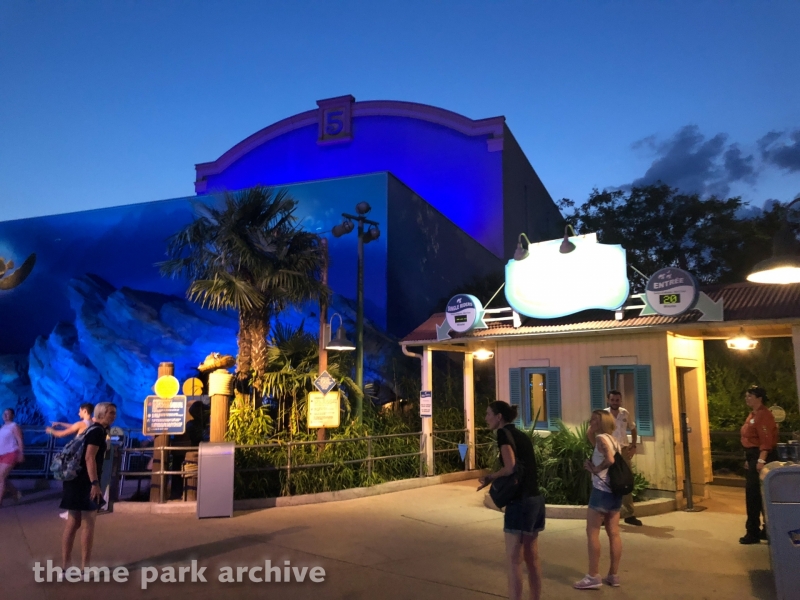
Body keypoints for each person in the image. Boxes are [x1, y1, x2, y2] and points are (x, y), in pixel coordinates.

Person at [478, 401, 544, 600]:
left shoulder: (502, 435)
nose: (486, 417)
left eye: (488, 414)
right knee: (532, 558)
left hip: (520, 503)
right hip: (535, 500)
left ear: (499, 417)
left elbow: (510, 466)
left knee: (514, 559)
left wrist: (491, 477)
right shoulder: (522, 435)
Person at [60, 401, 117, 570]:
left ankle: (66, 566)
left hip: (74, 479)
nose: (114, 416)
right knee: (88, 523)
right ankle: (85, 567)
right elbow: (89, 457)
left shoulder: (90, 429)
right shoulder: (98, 432)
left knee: (72, 522)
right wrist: (95, 483)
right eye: (111, 413)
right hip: (86, 481)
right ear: (102, 413)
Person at [574, 409, 623, 590]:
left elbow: (609, 460)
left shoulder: (602, 439)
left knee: (592, 532)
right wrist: (589, 431)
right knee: (614, 533)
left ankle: (593, 575)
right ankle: (613, 575)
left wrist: (595, 469)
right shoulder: (612, 440)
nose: (590, 421)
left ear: (601, 422)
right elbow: (595, 443)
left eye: (594, 419)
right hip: (614, 492)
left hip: (601, 490)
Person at [588, 390, 642, 526]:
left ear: (621, 400)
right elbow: (590, 432)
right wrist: (598, 447)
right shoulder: (604, 415)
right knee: (605, 481)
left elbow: (633, 428)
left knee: (624, 480)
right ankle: (602, 516)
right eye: (612, 400)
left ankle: (629, 514)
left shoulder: (625, 413)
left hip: (622, 450)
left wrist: (634, 445)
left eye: (617, 400)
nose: (615, 402)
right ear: (608, 400)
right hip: (608, 451)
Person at [739, 385, 778, 545]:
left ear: (759, 398)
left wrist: (761, 460)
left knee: (755, 494)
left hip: (761, 456)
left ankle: (754, 531)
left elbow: (766, 439)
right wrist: (750, 459)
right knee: (756, 494)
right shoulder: (753, 415)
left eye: (750, 396)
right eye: (746, 396)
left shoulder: (763, 415)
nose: (747, 398)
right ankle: (764, 529)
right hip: (754, 455)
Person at [0, 408, 24, 506]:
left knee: (0, 478)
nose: (5, 416)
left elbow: (20, 440)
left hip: (11, 453)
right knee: (2, 477)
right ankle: (15, 493)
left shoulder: (14, 426)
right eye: (4, 414)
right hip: (1, 454)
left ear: (12, 415)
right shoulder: (3, 427)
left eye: (8, 414)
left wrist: (21, 453)